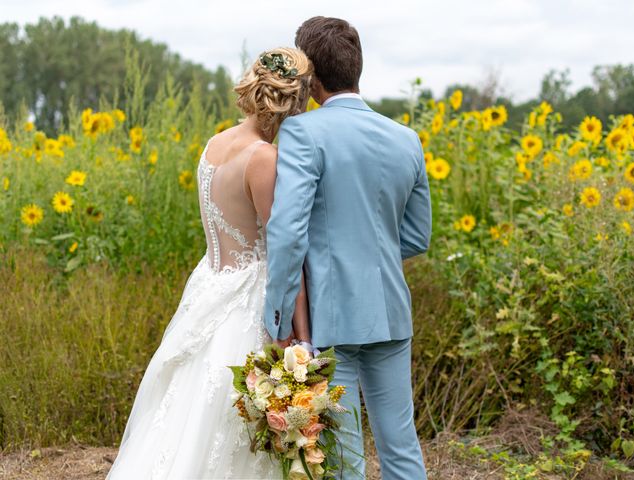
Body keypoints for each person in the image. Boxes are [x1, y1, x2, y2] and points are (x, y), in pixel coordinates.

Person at [106, 47, 313, 479]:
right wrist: (302, 340)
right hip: (248, 299)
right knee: (234, 419)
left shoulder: (216, 143)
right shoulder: (264, 159)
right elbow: (282, 253)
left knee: (183, 410)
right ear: (294, 101)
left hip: (210, 286)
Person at [264, 17, 431, 479]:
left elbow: (288, 232)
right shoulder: (407, 139)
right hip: (391, 312)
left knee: (343, 460)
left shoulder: (303, 134)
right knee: (401, 447)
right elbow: (417, 237)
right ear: (358, 67)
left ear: (310, 76)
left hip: (329, 319)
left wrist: (278, 318)